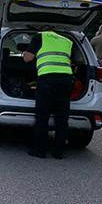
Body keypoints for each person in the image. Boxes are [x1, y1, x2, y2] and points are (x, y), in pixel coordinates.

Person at [23, 31, 74, 159]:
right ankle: (58, 152)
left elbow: (27, 58)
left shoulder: (39, 37)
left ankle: (40, 150)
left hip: (47, 78)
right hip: (66, 79)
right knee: (62, 117)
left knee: (42, 115)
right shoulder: (67, 40)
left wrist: (24, 52)